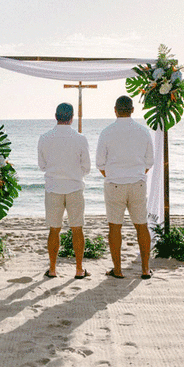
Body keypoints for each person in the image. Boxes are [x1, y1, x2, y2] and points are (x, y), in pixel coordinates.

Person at [96, 95, 154, 279]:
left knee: (115, 227)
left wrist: (114, 175)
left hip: (114, 184)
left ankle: (118, 270)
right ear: (132, 110)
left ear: (115, 109)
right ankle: (145, 269)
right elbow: (149, 161)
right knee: (141, 226)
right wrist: (135, 174)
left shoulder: (106, 132)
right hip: (137, 183)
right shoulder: (143, 131)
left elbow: (100, 163)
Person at [38, 103, 91, 279]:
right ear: (72, 117)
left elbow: (42, 165)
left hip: (54, 188)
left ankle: (53, 269)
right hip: (75, 187)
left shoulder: (44, 138)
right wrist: (75, 173)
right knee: (77, 229)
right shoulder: (80, 139)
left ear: (56, 116)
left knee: (54, 229)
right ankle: (78, 269)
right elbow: (87, 167)